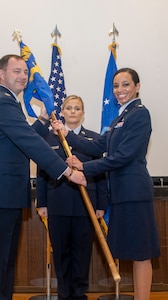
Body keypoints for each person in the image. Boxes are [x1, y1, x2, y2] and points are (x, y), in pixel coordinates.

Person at [0, 54, 86, 300]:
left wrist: (43, 119)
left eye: (25, 72)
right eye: (16, 71)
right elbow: (29, 142)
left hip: (5, 196)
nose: (23, 76)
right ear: (2, 74)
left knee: (5, 264)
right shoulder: (3, 102)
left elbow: (21, 137)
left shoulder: (9, 102)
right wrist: (67, 172)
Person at [53, 68, 160, 300]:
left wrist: (84, 167)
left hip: (134, 192)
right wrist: (66, 133)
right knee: (131, 252)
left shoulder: (140, 114)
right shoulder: (120, 117)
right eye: (116, 86)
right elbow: (98, 145)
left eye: (125, 85)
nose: (120, 90)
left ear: (137, 86)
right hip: (121, 193)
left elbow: (124, 156)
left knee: (141, 254)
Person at [36, 95, 108, 300]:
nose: (73, 111)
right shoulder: (49, 139)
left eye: (77, 108)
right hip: (57, 203)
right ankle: (63, 294)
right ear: (62, 112)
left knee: (82, 253)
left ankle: (79, 294)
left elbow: (101, 174)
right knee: (61, 253)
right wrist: (42, 202)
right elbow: (42, 172)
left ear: (83, 113)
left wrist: (101, 204)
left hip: (86, 206)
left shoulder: (93, 140)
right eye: (69, 108)